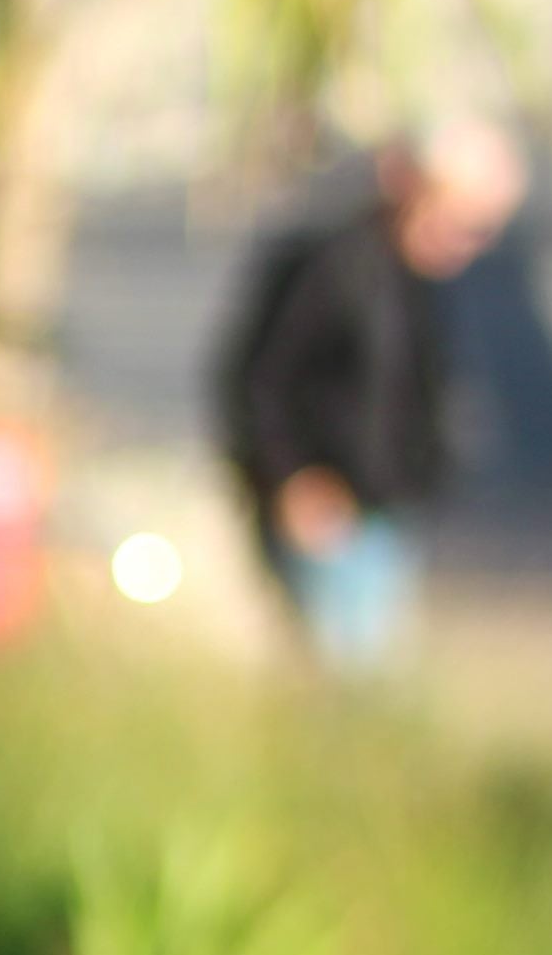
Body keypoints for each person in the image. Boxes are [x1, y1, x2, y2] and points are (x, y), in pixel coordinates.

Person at [210, 118, 528, 673]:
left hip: (386, 507)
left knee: (382, 677)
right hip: (330, 515)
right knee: (344, 681)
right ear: (415, 188)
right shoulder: (333, 265)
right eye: (465, 221)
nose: (470, 243)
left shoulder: (412, 277)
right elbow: (258, 381)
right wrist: (291, 478)